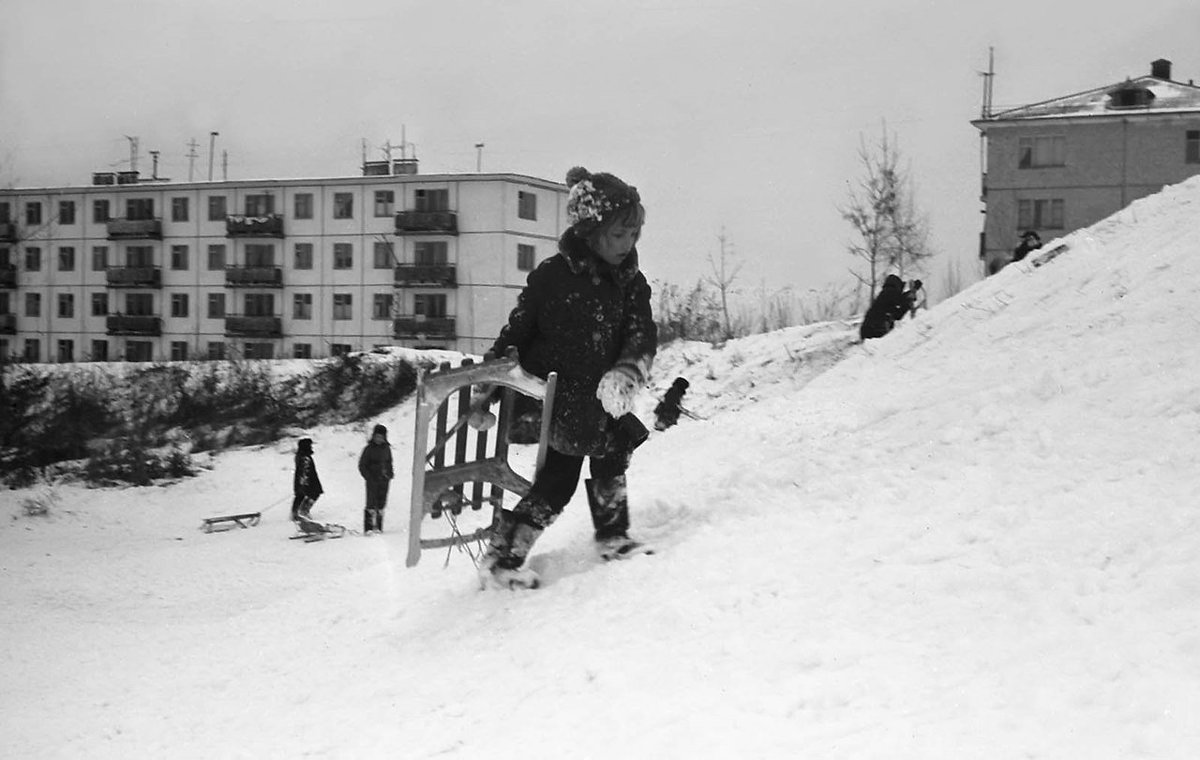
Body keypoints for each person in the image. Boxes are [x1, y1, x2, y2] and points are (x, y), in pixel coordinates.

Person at [476, 165, 657, 588]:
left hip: (606, 396)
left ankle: (613, 535)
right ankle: (505, 556)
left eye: (634, 235)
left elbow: (641, 334)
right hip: (560, 402)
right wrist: (487, 387)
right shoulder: (552, 278)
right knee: (558, 483)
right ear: (590, 230)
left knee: (612, 461)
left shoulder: (632, 283)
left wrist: (627, 372)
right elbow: (516, 334)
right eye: (618, 234)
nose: (627, 244)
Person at [357, 424, 394, 534]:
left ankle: (378, 526)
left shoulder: (387, 449)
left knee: (381, 502)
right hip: (372, 479)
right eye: (377, 436)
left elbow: (389, 462)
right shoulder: (368, 449)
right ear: (373, 436)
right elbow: (362, 465)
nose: (379, 439)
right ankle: (368, 527)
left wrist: (390, 473)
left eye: (381, 437)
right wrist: (368, 477)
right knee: (371, 502)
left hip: (384, 479)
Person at [859, 274, 911, 340]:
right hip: (875, 328)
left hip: (868, 329)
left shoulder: (885, 298)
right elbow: (900, 300)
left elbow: (898, 315)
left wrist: (907, 303)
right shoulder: (889, 291)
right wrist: (910, 296)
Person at [291, 438, 323, 521]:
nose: (311, 447)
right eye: (310, 446)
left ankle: (295, 512)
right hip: (309, 481)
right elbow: (305, 471)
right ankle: (303, 511)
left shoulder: (300, 455)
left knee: (300, 495)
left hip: (301, 481)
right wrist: (304, 482)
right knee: (315, 493)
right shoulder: (305, 458)